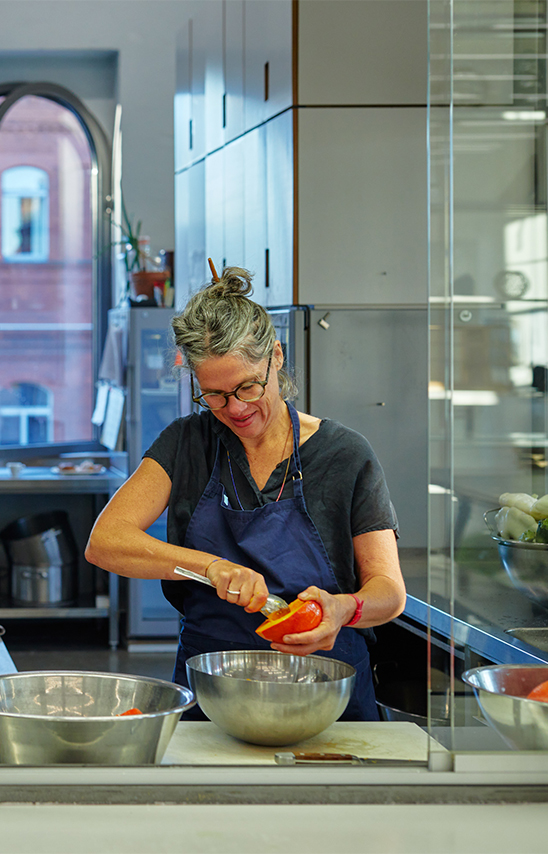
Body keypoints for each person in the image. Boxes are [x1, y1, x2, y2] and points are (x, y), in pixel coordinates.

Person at [84, 265, 406, 720]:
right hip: (213, 688)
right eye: (213, 395)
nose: (235, 408)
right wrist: (210, 567)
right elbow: (105, 542)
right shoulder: (186, 444)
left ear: (275, 356)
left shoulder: (345, 454)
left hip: (326, 690)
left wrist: (343, 609)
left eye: (247, 387)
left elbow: (389, 592)